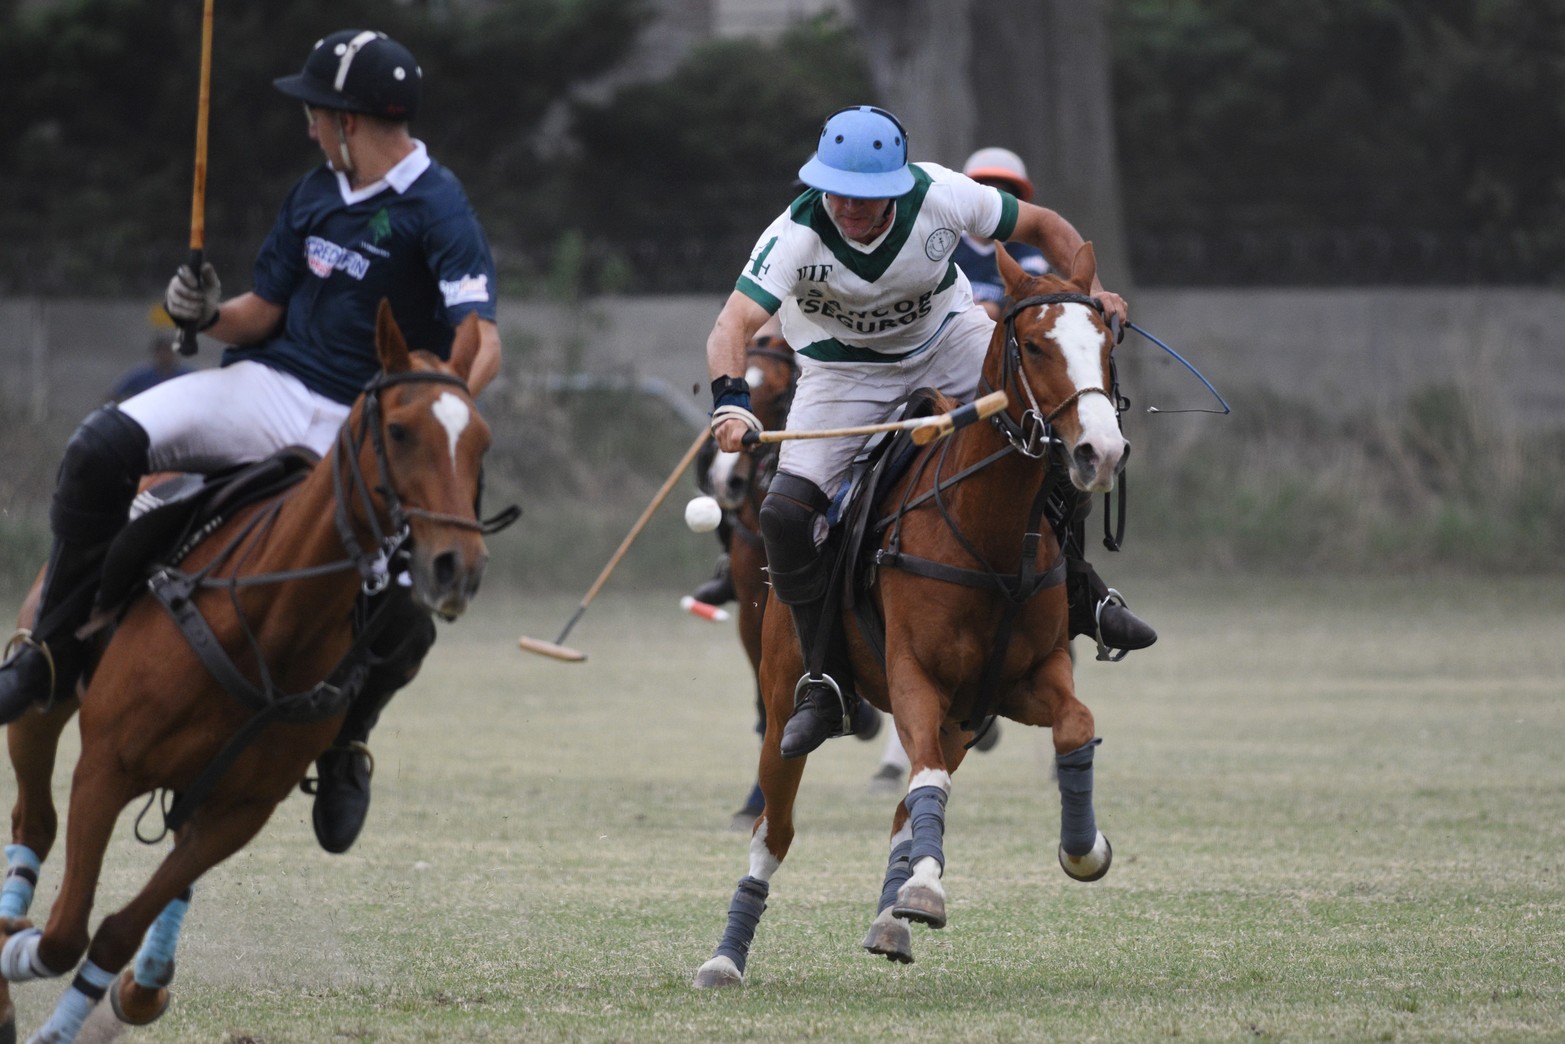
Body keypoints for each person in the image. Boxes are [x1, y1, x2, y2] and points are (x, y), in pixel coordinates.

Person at [0, 29, 502, 855]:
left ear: (351, 120)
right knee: (99, 449)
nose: (308, 127)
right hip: (269, 389)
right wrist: (202, 312)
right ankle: (53, 653)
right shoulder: (314, 190)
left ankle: (344, 744)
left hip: (367, 425)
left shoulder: (438, 204)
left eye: (316, 112)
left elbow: (479, 341)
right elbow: (259, 314)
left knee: (405, 608)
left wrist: (434, 414)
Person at [706, 105, 1155, 759]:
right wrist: (730, 403)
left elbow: (1044, 224)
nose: (850, 208)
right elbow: (732, 324)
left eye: (866, 197)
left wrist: (1095, 294)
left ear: (895, 185)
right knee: (782, 514)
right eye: (838, 192)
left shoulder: (941, 194)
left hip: (951, 340)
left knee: (1055, 440)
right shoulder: (795, 234)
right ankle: (826, 682)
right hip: (842, 376)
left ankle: (1082, 594)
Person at [951, 146, 1051, 319]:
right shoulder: (944, 242)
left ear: (1019, 203)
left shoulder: (1027, 250)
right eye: (985, 194)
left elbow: (1032, 294)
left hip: (1005, 340)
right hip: (945, 341)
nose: (993, 206)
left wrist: (990, 310)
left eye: (1003, 197)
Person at [109, 313, 193, 403]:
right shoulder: (141, 376)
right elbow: (114, 395)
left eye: (169, 351)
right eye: (163, 351)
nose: (166, 356)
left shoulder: (186, 376)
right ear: (156, 353)